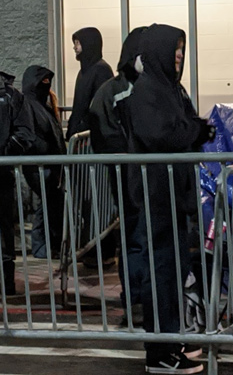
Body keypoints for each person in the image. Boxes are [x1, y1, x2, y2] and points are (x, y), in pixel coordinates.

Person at [121, 24, 214, 374]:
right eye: (174, 49)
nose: (179, 56)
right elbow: (161, 134)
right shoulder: (147, 92)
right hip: (157, 195)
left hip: (173, 195)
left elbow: (182, 127)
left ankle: (172, 340)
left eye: (181, 49)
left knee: (174, 271)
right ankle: (159, 351)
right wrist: (197, 131)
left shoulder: (169, 90)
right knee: (161, 273)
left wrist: (195, 130)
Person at [87, 26, 147, 326]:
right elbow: (104, 135)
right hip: (131, 181)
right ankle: (136, 297)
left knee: (153, 238)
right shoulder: (113, 91)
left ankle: (150, 295)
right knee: (135, 237)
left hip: (155, 182)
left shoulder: (162, 88)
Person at [21, 66, 66, 259]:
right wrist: (46, 150)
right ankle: (41, 246)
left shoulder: (41, 105)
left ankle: (49, 245)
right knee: (47, 203)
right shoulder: (29, 105)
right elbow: (31, 136)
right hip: (39, 165)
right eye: (43, 82)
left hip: (49, 164)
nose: (46, 86)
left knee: (51, 203)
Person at [0, 71, 35, 295]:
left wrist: (3, 153)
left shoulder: (11, 96)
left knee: (4, 231)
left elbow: (25, 134)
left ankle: (6, 283)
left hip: (1, 174)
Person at [66, 27, 114, 140]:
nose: (75, 47)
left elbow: (100, 106)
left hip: (92, 135)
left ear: (88, 44)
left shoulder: (101, 70)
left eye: (78, 43)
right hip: (82, 133)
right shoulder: (84, 71)